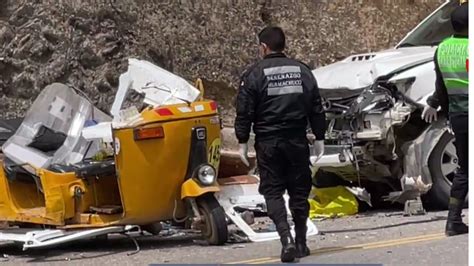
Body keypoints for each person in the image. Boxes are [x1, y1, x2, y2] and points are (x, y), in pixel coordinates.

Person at [234, 26, 325, 262]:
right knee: (299, 193)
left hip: (269, 143)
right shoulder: (303, 71)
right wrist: (320, 137)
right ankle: (302, 242)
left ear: (263, 47)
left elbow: (244, 111)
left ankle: (286, 240)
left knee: (273, 191)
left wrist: (242, 141)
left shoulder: (254, 74)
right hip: (297, 141)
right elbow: (316, 106)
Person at [421, 2, 468, 236]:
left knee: (464, 170)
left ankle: (453, 221)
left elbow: (441, 85)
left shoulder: (442, 49)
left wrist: (433, 103)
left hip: (459, 117)